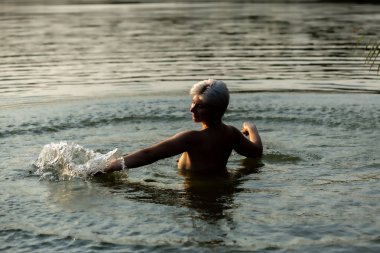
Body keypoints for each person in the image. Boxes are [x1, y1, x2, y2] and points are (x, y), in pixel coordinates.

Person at [101, 79, 263, 174]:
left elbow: (148, 154)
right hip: (222, 191)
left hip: (193, 194)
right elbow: (256, 151)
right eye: (193, 102)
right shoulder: (231, 134)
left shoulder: (191, 138)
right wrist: (251, 128)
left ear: (215, 110)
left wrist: (108, 167)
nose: (192, 109)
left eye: (199, 106)